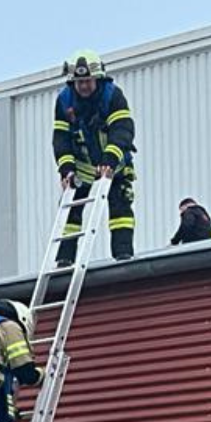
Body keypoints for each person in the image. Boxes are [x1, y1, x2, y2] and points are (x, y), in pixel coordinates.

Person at [52, 49, 137, 266]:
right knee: (71, 211)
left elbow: (123, 130)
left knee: (120, 209)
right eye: (79, 82)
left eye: (88, 81)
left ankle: (123, 256)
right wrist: (66, 168)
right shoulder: (64, 101)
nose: (84, 86)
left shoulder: (112, 96)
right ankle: (64, 259)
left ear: (97, 78)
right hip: (81, 166)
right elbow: (60, 137)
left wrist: (110, 159)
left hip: (113, 165)